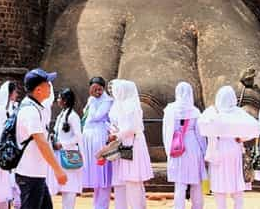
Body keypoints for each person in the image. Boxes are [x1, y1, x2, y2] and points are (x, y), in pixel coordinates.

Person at [198, 85, 260, 209]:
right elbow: (255, 128)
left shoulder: (213, 112)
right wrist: (242, 137)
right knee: (236, 181)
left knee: (219, 182)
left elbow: (202, 125)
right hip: (235, 147)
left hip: (218, 149)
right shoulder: (238, 112)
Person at [15, 68, 67, 209]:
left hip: (35, 174)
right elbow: (42, 143)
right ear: (38, 90)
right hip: (29, 175)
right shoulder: (30, 111)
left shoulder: (35, 106)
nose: (50, 87)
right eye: (47, 84)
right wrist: (58, 170)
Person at [107, 79, 153, 209]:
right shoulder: (124, 105)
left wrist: (116, 135)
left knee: (133, 180)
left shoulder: (130, 106)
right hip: (127, 144)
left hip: (132, 144)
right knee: (132, 181)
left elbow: (131, 128)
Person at [161, 82, 206, 209]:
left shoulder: (170, 110)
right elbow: (200, 134)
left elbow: (166, 132)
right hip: (193, 147)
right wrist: (204, 151)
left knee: (180, 184)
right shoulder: (195, 111)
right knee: (196, 182)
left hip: (176, 147)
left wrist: (168, 151)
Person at [47, 88, 83, 209]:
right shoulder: (61, 115)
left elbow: (78, 136)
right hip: (60, 155)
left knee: (70, 188)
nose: (57, 100)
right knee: (63, 186)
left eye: (59, 98)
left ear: (65, 100)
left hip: (69, 156)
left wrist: (63, 144)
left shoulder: (73, 116)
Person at [80, 76, 113, 209]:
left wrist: (93, 99)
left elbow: (96, 116)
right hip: (90, 139)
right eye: (94, 89)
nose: (97, 92)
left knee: (103, 173)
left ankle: (102, 205)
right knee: (96, 175)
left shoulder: (107, 101)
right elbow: (85, 116)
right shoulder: (91, 100)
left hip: (100, 138)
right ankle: (97, 205)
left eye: (99, 89)